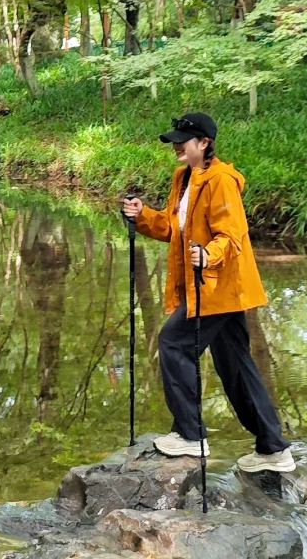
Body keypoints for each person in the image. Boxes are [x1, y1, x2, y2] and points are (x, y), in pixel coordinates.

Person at [121, 111, 295, 474]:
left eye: (182, 142)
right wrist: (141, 215)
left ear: (204, 143)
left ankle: (190, 434)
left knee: (173, 342)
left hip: (219, 285)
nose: (175, 147)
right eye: (173, 142)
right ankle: (273, 449)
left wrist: (208, 255)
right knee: (235, 366)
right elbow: (173, 226)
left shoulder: (221, 181)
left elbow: (231, 236)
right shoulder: (184, 178)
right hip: (211, 286)